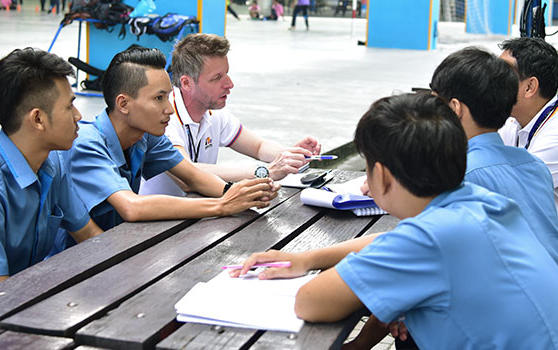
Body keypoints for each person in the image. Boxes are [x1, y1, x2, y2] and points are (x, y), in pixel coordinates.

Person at [231, 93, 558, 349]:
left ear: (382, 175)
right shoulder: (483, 202)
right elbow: (396, 240)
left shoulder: (428, 239)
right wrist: (307, 258)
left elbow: (311, 302)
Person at [346, 47, 558, 350]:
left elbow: (411, 257)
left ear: (454, 109)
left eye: (435, 102)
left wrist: (358, 345)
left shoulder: (459, 178)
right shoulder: (531, 165)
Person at [59, 47, 278, 240]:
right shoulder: (87, 144)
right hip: (71, 265)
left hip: (114, 244)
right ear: (123, 104)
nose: (169, 109)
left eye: (168, 97)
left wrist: (242, 193)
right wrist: (222, 205)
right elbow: (131, 207)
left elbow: (192, 177)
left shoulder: (145, 136)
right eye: (159, 98)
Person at [139, 34, 320, 197]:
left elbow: (258, 146)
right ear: (186, 83)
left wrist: (289, 155)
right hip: (156, 226)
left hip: (196, 214)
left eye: (227, 73)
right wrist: (267, 171)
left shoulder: (213, 113)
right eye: (217, 77)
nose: (230, 84)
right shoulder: (164, 116)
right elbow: (188, 175)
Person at [0, 48, 103, 288]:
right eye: (69, 106)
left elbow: (90, 236)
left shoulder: (53, 164)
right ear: (38, 119)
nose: (79, 115)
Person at [498, 37, 558, 211]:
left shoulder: (555, 134)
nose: (492, 81)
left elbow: (509, 190)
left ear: (530, 87)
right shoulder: (513, 120)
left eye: (503, 74)